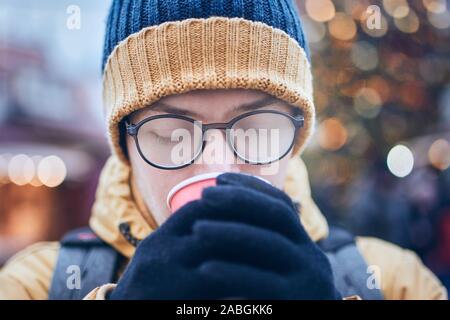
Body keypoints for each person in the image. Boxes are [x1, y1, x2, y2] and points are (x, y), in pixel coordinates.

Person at [0, 0, 446, 300]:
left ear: (297, 138)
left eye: (254, 126)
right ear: (124, 142)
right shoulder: (35, 285)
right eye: (172, 130)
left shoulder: (394, 281)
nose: (215, 165)